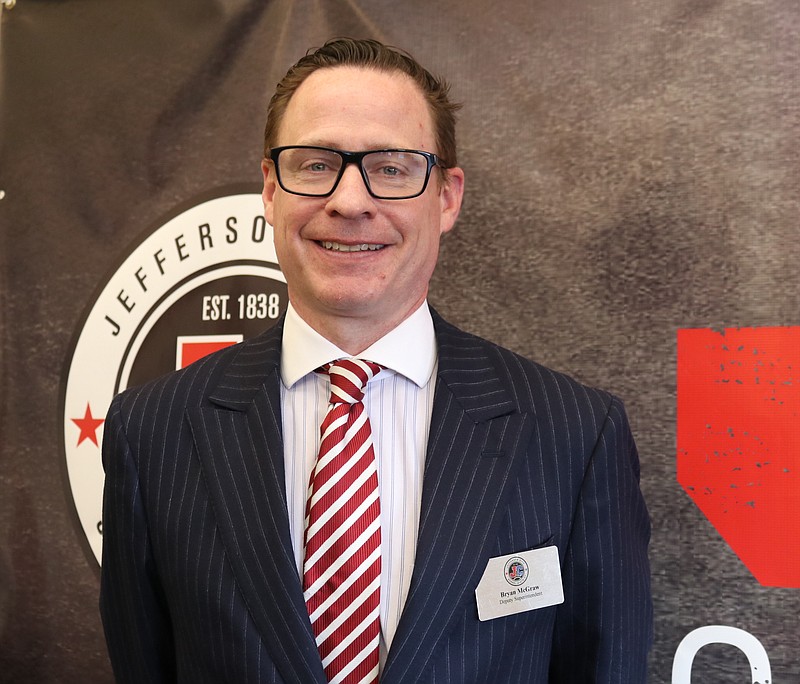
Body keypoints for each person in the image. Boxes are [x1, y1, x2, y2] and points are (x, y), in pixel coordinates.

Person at [100, 38, 652, 683]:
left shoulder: (575, 434)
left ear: (446, 197)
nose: (350, 202)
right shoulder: (152, 431)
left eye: (391, 169)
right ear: (271, 191)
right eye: (314, 165)